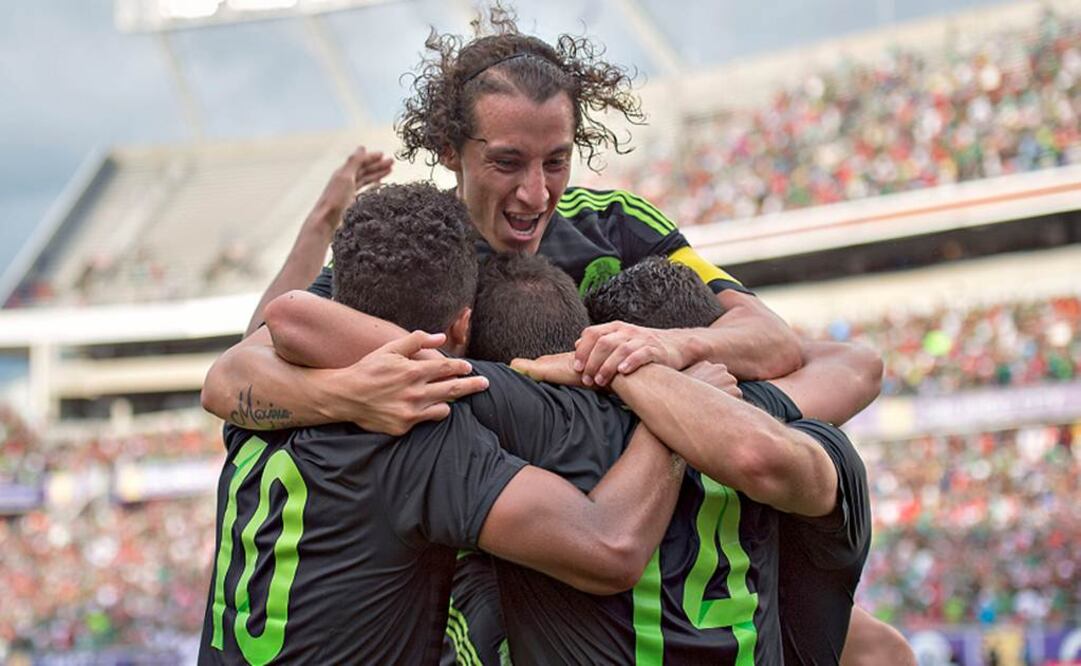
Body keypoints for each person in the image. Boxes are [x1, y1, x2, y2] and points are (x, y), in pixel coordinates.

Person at [199, 5, 802, 433]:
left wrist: (668, 348)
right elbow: (231, 378)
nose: (536, 194)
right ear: (448, 150)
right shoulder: (416, 248)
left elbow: (773, 339)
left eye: (557, 161)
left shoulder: (619, 223)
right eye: (507, 163)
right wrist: (346, 397)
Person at [197, 183, 685, 664]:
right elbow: (609, 546)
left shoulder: (262, 398)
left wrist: (322, 220)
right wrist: (676, 409)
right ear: (461, 326)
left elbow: (272, 328)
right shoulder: (418, 426)